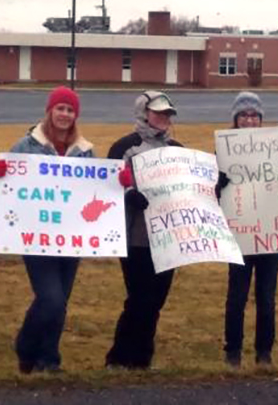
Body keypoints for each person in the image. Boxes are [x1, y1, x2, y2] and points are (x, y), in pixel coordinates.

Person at [0, 86, 94, 374]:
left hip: (72, 236)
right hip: (35, 236)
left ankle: (46, 358)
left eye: (70, 110)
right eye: (60, 108)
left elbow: (95, 190)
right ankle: (26, 345)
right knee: (51, 298)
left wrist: (118, 182)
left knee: (60, 302)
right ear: (50, 111)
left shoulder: (85, 151)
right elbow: (5, 186)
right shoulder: (26, 146)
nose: (65, 115)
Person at [216, 91, 278, 368]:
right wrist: (218, 183)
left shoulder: (277, 148)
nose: (249, 120)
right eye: (244, 115)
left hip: (271, 234)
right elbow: (213, 194)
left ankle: (264, 353)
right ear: (235, 118)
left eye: (254, 115)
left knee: (266, 296)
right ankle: (233, 352)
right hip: (239, 234)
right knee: (236, 296)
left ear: (261, 119)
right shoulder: (223, 150)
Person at [104, 90, 182, 370]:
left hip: (168, 238)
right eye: (158, 112)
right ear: (143, 113)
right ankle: (119, 357)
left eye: (167, 114)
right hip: (134, 237)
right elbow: (107, 187)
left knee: (156, 300)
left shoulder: (179, 150)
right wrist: (128, 196)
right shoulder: (124, 147)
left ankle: (141, 359)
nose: (163, 118)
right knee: (138, 298)